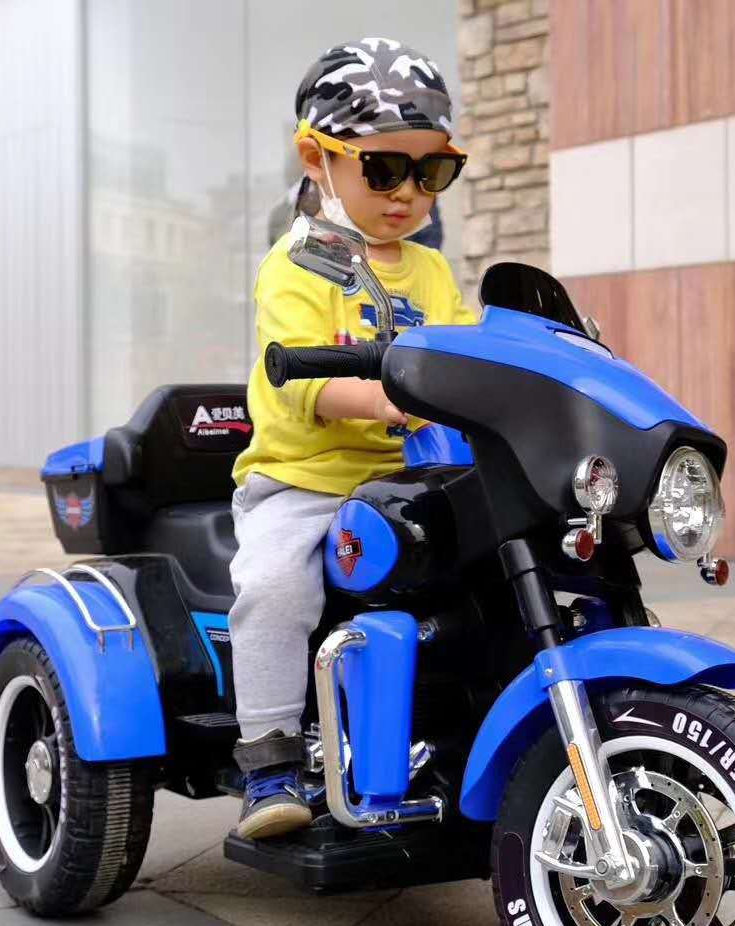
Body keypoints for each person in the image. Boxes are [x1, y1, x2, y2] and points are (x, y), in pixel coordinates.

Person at [228, 37, 477, 840]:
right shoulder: (300, 265)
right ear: (318, 158)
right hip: (306, 482)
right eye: (384, 168)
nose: (408, 192)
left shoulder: (432, 272)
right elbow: (304, 381)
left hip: (412, 481)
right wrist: (396, 400)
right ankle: (269, 764)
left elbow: (468, 349)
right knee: (274, 586)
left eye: (431, 171)